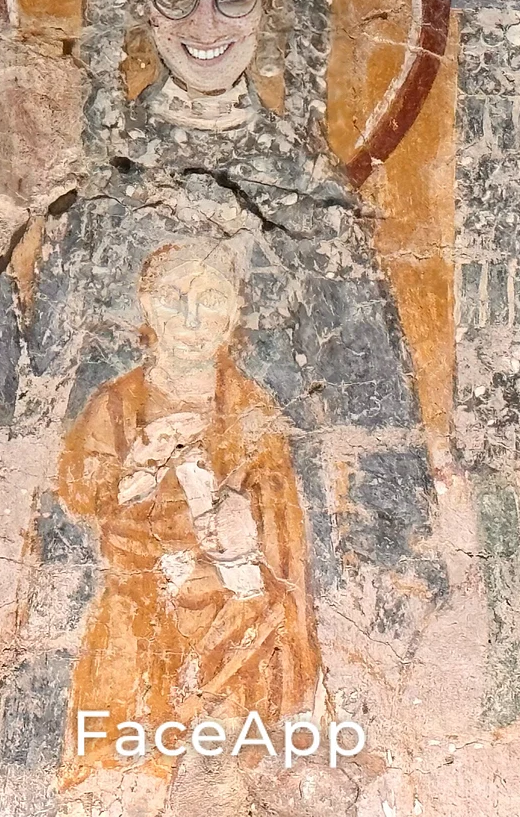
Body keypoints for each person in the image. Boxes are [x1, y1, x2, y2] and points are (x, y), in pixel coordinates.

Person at [54, 238, 322, 804]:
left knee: (220, 784)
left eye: (211, 299)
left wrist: (244, 516)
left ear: (234, 312)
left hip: (232, 617)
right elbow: (81, 491)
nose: (192, 319)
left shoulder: (250, 408)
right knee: (118, 779)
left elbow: (281, 531)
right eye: (175, 299)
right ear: (147, 306)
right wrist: (141, 463)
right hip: (136, 610)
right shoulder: (116, 404)